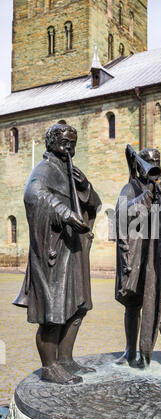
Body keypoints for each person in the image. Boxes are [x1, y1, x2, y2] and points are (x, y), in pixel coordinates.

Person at [13, 123, 101, 384]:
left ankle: (65, 358)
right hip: (53, 249)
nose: (69, 147)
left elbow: (94, 203)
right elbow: (34, 195)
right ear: (51, 142)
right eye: (65, 141)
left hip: (73, 250)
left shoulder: (71, 171)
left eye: (73, 142)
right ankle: (50, 366)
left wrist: (85, 187)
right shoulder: (43, 170)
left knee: (79, 306)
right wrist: (65, 214)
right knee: (53, 310)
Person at [115, 146, 161, 369]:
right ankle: (130, 351)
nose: (153, 164)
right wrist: (147, 193)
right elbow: (122, 216)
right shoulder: (129, 188)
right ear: (139, 164)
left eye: (156, 160)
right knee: (133, 304)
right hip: (137, 257)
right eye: (148, 160)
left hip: (160, 260)